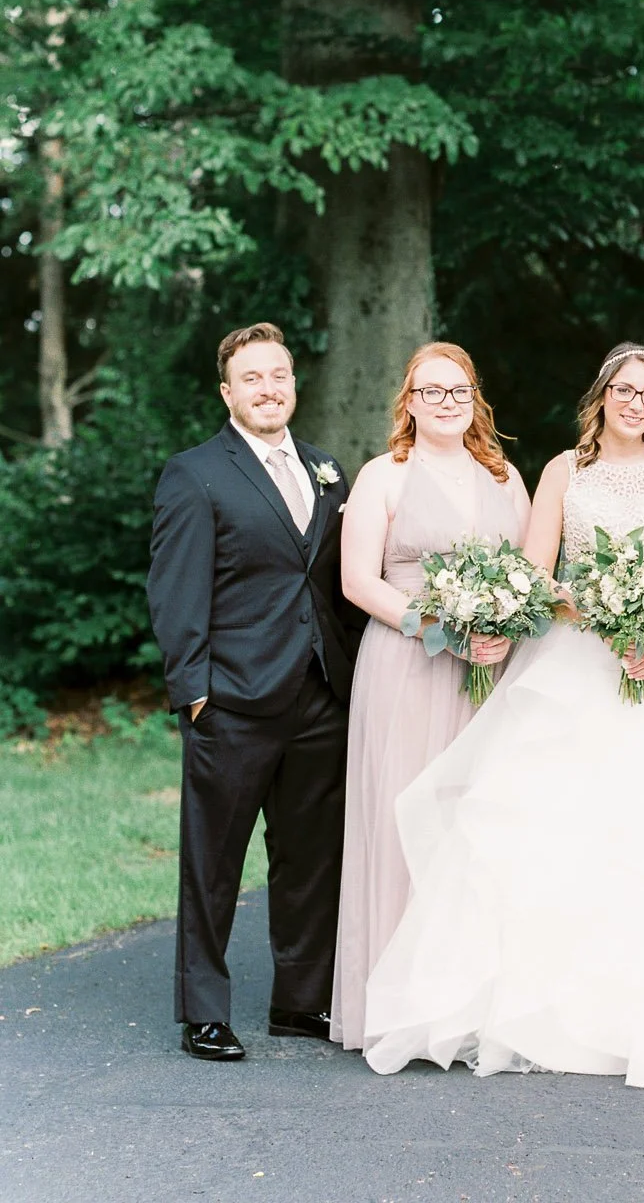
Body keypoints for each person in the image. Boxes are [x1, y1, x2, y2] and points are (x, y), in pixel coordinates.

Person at [361, 343, 644, 1089]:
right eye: (623, 391)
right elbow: (538, 580)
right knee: (567, 832)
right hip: (577, 666)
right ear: (601, 395)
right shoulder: (560, 472)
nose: (635, 404)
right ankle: (561, 1016)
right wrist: (599, 607)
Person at [146, 323, 362, 1061]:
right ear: (227, 393)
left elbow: (339, 588)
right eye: (253, 378)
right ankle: (203, 1009)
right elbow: (175, 595)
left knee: (310, 859)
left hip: (319, 695)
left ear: (293, 384)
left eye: (279, 375)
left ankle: (299, 1003)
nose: (269, 389)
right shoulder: (195, 474)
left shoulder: (329, 469)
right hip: (232, 698)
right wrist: (193, 692)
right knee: (213, 863)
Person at [330, 343, 531, 1050]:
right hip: (407, 666)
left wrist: (505, 630)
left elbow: (528, 577)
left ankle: (470, 1006)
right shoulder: (384, 477)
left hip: (487, 673)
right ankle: (397, 1011)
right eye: (431, 392)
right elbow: (359, 582)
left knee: (474, 827)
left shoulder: (505, 479)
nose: (446, 403)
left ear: (475, 399)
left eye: (459, 392)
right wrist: (439, 626)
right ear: (408, 402)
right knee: (403, 822)